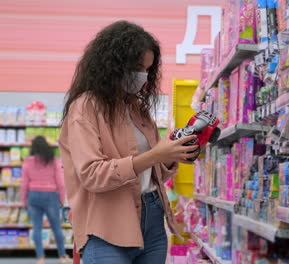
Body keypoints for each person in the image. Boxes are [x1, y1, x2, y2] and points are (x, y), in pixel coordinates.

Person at [59, 21, 198, 264]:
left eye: (147, 69)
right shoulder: (85, 108)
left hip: (153, 217)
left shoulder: (137, 109)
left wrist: (172, 153)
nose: (142, 76)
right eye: (136, 67)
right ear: (113, 64)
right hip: (107, 225)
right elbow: (92, 174)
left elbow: (153, 171)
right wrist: (155, 155)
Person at [21, 136, 71, 264]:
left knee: (37, 228)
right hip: (50, 196)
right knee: (56, 227)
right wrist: (61, 199)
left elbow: (24, 184)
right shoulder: (54, 160)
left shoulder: (28, 161)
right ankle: (62, 257)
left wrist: (23, 201)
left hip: (33, 196)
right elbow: (60, 183)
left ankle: (41, 258)